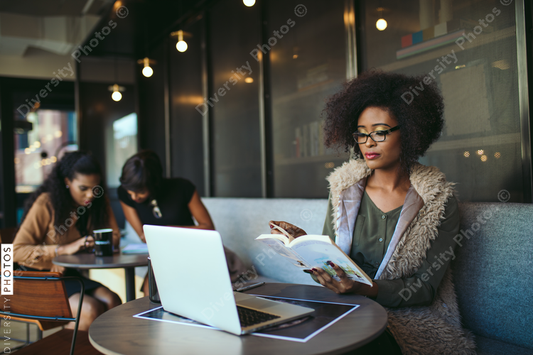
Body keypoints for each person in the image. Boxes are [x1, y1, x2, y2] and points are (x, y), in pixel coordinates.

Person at [270, 71, 476, 355]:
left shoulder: (438, 200)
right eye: (361, 133)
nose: (367, 142)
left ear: (410, 130)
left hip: (406, 316)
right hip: (345, 308)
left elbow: (426, 289)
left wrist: (363, 288)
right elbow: (334, 263)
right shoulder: (343, 189)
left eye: (379, 132)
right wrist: (306, 248)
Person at [14, 151, 122, 331]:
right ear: (67, 182)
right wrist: (61, 251)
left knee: (113, 302)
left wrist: (94, 242)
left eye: (94, 188)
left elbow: (115, 237)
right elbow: (15, 251)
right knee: (89, 309)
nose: (90, 195)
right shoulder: (46, 203)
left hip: (67, 274)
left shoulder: (97, 202)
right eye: (83, 188)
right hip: (35, 277)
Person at [118, 150, 245, 294]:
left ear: (154, 183)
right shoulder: (125, 194)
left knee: (170, 289)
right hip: (164, 253)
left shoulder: (182, 187)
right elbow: (144, 235)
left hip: (193, 248)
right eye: (130, 191)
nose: (134, 197)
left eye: (140, 191)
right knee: (150, 290)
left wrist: (168, 230)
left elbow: (208, 228)